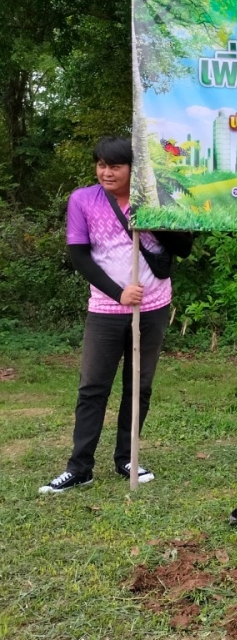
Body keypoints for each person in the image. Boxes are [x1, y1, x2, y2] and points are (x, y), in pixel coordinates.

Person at [39, 137, 193, 494]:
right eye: (101, 165)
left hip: (152, 307)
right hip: (106, 309)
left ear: (132, 169)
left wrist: (151, 218)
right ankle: (80, 468)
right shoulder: (83, 200)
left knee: (139, 386)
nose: (106, 172)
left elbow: (184, 247)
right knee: (93, 387)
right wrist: (118, 293)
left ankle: (128, 458)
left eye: (115, 166)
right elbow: (80, 256)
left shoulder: (156, 199)